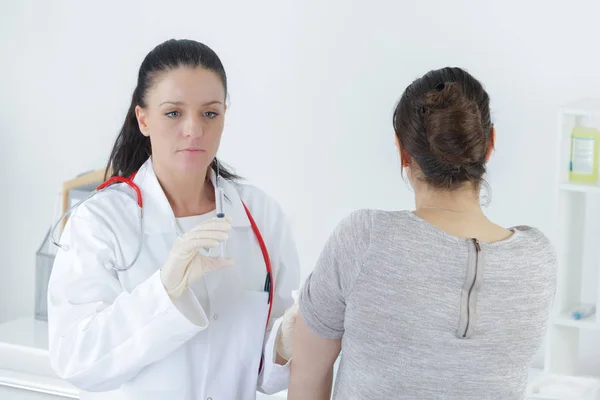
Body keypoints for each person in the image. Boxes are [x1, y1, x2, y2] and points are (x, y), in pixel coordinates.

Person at [47, 39, 300, 400]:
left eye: (210, 113)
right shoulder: (101, 221)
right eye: (173, 113)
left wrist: (286, 343)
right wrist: (163, 293)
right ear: (144, 118)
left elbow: (263, 372)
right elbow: (76, 358)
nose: (194, 130)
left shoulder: (261, 216)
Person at [288, 67, 557, 399]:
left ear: (403, 152)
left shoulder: (364, 239)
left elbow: (307, 374)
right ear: (490, 145)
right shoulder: (537, 259)